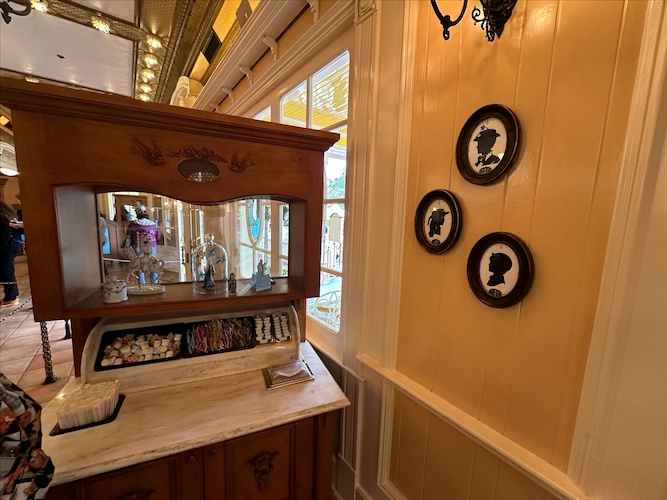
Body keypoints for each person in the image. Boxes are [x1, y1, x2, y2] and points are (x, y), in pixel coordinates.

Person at [124, 205, 161, 284]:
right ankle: (154, 282)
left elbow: (128, 237)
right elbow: (158, 236)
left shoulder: (133, 225)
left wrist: (127, 247)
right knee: (153, 264)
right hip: (151, 247)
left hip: (138, 247)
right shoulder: (154, 225)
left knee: (138, 265)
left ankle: (141, 283)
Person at [0, 200, 22, 308]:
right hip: (9, 246)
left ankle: (11, 297)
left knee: (6, 272)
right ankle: (11, 296)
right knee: (6, 271)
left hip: (6, 247)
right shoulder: (5, 214)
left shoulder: (2, 217)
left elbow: (4, 233)